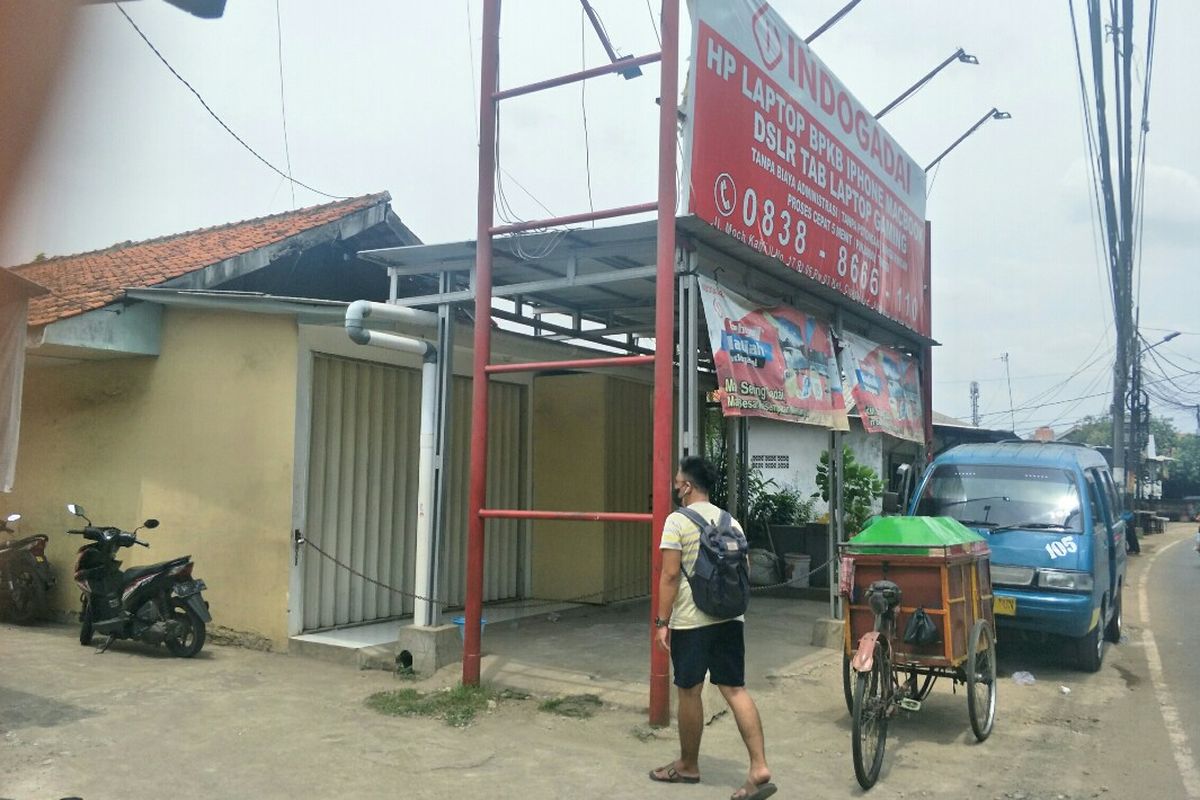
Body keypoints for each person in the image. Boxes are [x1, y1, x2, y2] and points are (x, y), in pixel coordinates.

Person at [649, 456, 776, 800]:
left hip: (692, 620)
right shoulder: (729, 520)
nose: (676, 487)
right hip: (731, 618)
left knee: (689, 689)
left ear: (687, 486)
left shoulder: (676, 521)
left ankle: (688, 765)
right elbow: (744, 568)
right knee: (734, 689)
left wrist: (662, 622)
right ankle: (759, 765)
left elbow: (670, 575)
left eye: (678, 482)